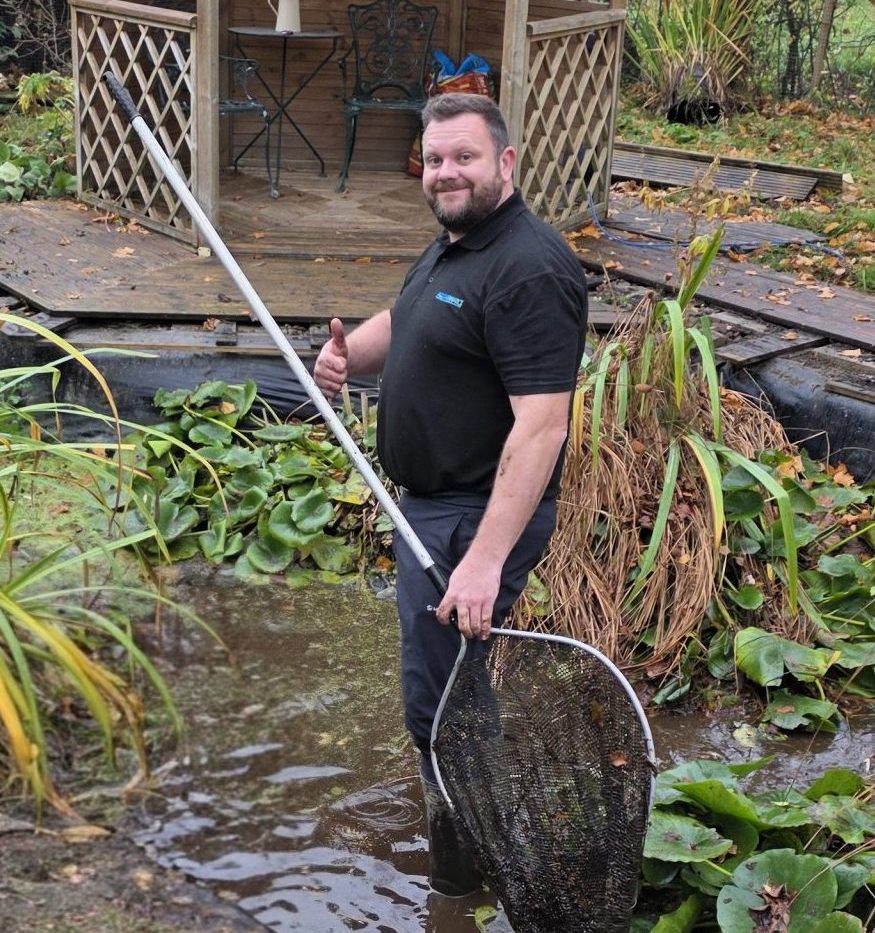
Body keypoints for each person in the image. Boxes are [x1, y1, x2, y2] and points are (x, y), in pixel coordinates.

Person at [314, 93, 588, 898]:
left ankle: (463, 883)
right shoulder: (459, 244)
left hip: (471, 519)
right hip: (431, 510)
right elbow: (411, 319)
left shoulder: (531, 268)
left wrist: (483, 560)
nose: (445, 172)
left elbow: (541, 428)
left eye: (463, 157)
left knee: (441, 709)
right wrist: (348, 356)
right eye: (434, 160)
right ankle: (466, 853)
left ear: (505, 163)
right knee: (447, 696)